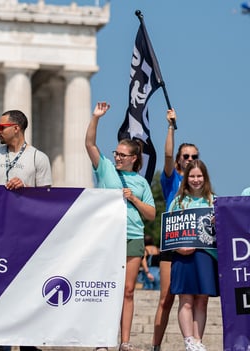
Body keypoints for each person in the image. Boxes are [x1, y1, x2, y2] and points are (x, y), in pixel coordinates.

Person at [85, 101, 156, 351]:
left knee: (127, 291)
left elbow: (151, 214)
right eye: (115, 153)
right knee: (106, 288)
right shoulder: (104, 168)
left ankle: (124, 341)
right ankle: (102, 340)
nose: (116, 157)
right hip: (107, 237)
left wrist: (133, 198)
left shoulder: (141, 183)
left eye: (122, 155)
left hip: (133, 237)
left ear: (133, 159)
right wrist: (96, 118)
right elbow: (90, 145)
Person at [0, 109, 52, 351]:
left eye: (2, 126)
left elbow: (48, 200)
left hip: (26, 241)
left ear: (16, 128)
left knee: (26, 298)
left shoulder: (39, 158)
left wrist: (26, 188)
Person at [151, 109, 199, 351]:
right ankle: (156, 346)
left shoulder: (201, 184)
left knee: (193, 298)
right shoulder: (172, 179)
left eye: (194, 156)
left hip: (195, 246)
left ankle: (194, 343)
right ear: (180, 159)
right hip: (172, 245)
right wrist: (171, 126)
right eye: (186, 156)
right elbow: (167, 154)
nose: (189, 159)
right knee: (166, 298)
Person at [168, 159, 219, 351]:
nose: (196, 179)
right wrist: (178, 248)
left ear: (205, 178)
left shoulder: (214, 200)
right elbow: (169, 233)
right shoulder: (178, 201)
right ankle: (188, 340)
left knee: (202, 300)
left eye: (199, 176)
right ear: (186, 177)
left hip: (206, 256)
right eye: (192, 176)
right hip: (183, 256)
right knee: (186, 300)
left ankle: (198, 341)